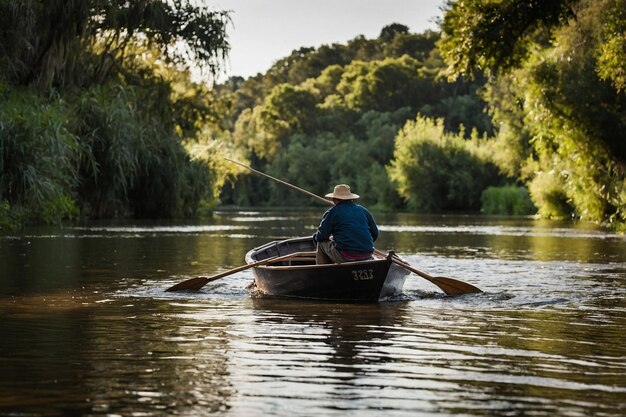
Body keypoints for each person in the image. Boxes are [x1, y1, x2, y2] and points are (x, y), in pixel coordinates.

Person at [313, 184, 379, 264]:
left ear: (334, 199)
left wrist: (316, 238)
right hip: (368, 255)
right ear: (351, 199)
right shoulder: (363, 210)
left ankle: (322, 272)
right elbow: (375, 234)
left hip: (345, 256)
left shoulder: (332, 212)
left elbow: (321, 236)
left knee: (321, 243)